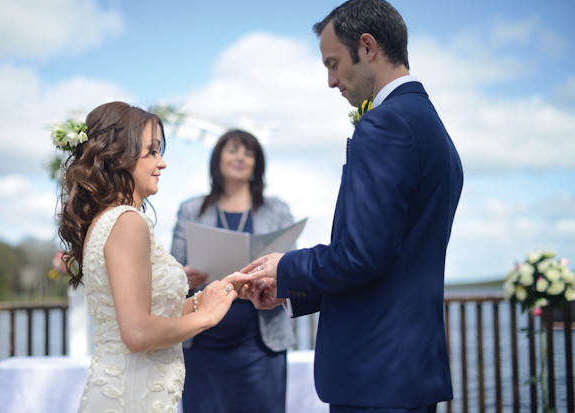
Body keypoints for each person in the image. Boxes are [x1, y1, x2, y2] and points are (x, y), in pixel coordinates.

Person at [236, 1, 464, 412]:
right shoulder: (433, 129)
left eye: (333, 63)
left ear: (367, 46)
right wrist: (290, 294)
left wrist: (284, 268)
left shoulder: (385, 123)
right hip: (406, 369)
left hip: (374, 374)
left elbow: (362, 255)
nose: (330, 80)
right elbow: (391, 259)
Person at [55, 101, 239, 413]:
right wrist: (206, 317)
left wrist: (209, 297)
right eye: (152, 151)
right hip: (131, 398)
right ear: (118, 156)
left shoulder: (111, 220)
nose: (162, 163)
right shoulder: (127, 222)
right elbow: (137, 332)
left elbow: (141, 313)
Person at [170, 129, 296, 413]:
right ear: (217, 159)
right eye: (233, 150)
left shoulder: (277, 210)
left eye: (249, 153)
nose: (241, 157)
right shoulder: (190, 210)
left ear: (257, 165)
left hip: (261, 344)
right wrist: (184, 277)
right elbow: (174, 270)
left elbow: (291, 266)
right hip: (202, 343)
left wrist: (274, 275)